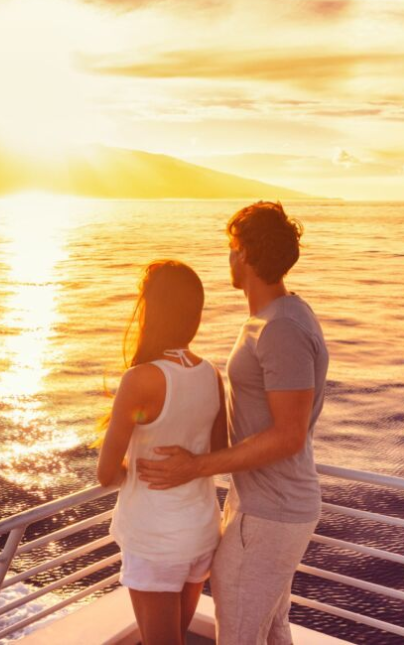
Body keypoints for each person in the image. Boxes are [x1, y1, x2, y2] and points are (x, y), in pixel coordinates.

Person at [137, 201, 328, 645]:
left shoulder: (280, 328)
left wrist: (195, 466)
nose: (228, 258)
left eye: (231, 248)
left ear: (243, 254)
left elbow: (288, 434)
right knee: (272, 630)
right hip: (260, 504)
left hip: (271, 513)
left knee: (240, 634)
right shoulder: (275, 318)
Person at [96, 260, 228, 645]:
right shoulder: (210, 374)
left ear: (151, 310)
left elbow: (106, 474)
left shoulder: (139, 380)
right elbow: (217, 451)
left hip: (156, 539)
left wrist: (132, 467)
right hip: (201, 531)